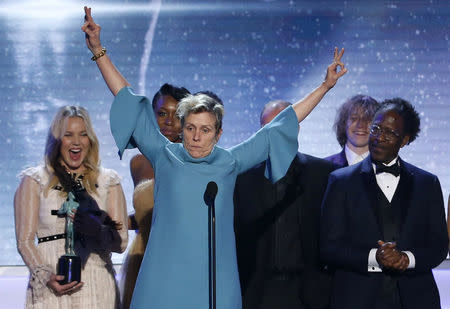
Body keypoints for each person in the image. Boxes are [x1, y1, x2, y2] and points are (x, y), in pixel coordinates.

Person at [82, 6, 347, 308]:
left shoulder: (229, 162)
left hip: (213, 278)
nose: (197, 136)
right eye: (191, 128)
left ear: (218, 134)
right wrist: (97, 49)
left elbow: (282, 124)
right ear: (181, 129)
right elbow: (127, 97)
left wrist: (325, 86)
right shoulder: (164, 154)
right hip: (163, 275)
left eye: (205, 130)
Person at [320, 98, 448, 309]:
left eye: (390, 133)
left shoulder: (428, 183)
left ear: (405, 140)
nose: (379, 137)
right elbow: (328, 247)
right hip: (356, 299)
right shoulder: (340, 181)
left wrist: (406, 259)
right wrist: (374, 257)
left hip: (416, 299)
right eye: (376, 129)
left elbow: (438, 246)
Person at [14, 106, 128, 308]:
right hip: (50, 288)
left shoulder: (109, 181)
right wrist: (45, 275)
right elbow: (24, 241)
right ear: (57, 141)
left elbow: (121, 244)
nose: (76, 142)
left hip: (97, 286)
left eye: (83, 135)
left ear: (90, 139)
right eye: (68, 135)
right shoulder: (35, 180)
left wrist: (98, 231)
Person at [234, 100, 336, 309]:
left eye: (283, 127)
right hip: (257, 291)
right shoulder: (242, 177)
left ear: (297, 128)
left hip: (308, 291)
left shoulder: (323, 173)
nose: (275, 135)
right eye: (268, 129)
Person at [120, 83, 190, 309]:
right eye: (162, 113)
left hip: (182, 260)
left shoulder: (196, 161)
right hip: (142, 258)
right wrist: (115, 221)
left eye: (176, 115)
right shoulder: (138, 162)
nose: (169, 121)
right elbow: (147, 210)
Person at [325, 94, 380, 167]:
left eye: (367, 119)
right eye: (354, 118)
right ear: (344, 123)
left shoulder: (389, 168)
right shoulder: (324, 167)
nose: (360, 125)